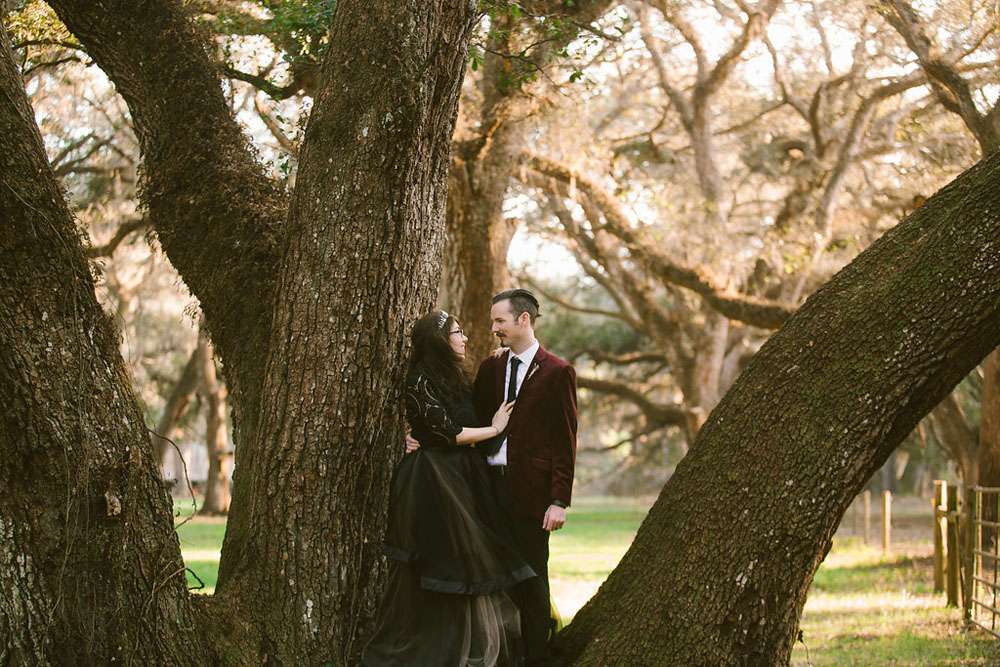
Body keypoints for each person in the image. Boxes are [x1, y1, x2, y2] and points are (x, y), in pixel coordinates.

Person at [408, 289, 579, 666]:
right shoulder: (491, 367)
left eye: (500, 321)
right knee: (497, 579)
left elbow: (565, 441)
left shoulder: (558, 372)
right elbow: (463, 417)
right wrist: (420, 435)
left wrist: (558, 500)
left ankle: (538, 658)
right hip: (483, 490)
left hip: (531, 495)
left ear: (523, 319)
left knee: (533, 577)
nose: (493, 328)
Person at [361, 310, 534, 667]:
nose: (465, 338)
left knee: (475, 558)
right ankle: (434, 650)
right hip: (435, 481)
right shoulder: (419, 380)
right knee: (445, 563)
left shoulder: (455, 376)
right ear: (440, 340)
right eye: (458, 332)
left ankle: (469, 647)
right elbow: (448, 433)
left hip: (465, 476)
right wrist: (495, 428)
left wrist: (501, 358)